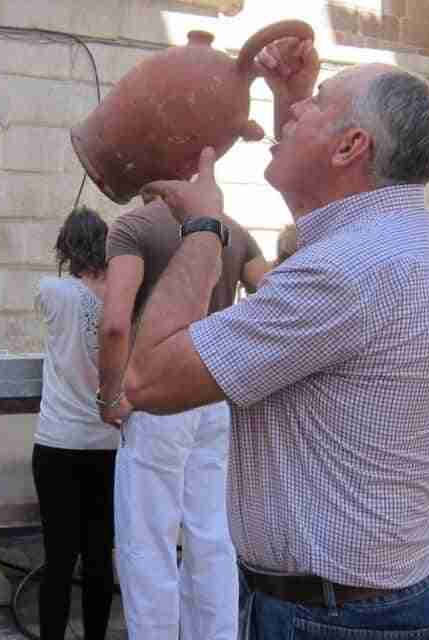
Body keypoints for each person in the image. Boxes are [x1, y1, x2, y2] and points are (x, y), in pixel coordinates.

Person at [119, 41, 429, 638]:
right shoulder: (423, 235)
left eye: (317, 105)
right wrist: (293, 100)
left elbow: (147, 377)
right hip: (398, 599)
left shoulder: (342, 275)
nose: (292, 114)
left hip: (332, 621)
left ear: (350, 146)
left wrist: (206, 228)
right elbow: (331, 220)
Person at [97, 198, 266, 640]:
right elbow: (268, 297)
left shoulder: (134, 227)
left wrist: (112, 395)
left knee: (148, 541)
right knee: (212, 536)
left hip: (156, 398)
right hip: (212, 394)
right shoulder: (232, 228)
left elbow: (114, 324)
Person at [32, 207, 120, 640]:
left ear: (66, 247)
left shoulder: (51, 290)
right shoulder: (118, 297)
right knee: (100, 556)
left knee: (58, 559)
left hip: (57, 442)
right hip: (106, 442)